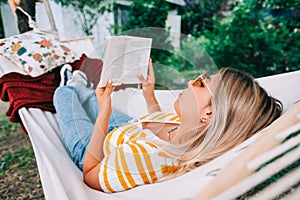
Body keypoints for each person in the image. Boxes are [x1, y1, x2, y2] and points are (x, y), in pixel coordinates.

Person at [53, 60, 282, 193]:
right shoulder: (187, 129)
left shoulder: (145, 158)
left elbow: (90, 174)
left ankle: (70, 84)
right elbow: (158, 121)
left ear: (208, 115)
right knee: (95, 98)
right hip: (127, 129)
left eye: (202, 83)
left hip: (95, 151)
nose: (191, 81)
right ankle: (82, 87)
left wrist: (104, 115)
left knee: (63, 97)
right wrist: (149, 94)